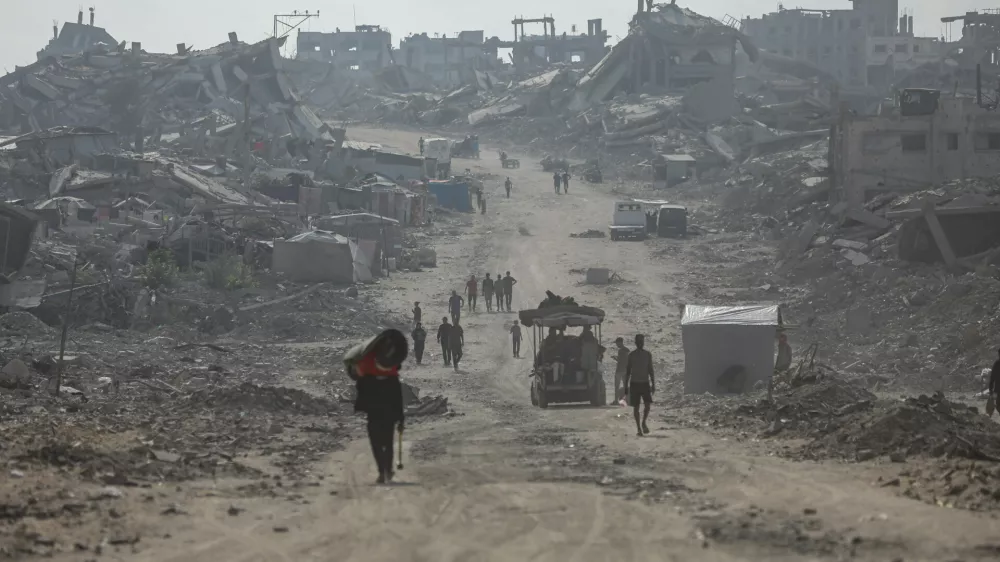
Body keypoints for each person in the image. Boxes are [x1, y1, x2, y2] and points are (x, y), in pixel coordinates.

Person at [346, 330, 406, 484]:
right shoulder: (393, 380)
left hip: (374, 416)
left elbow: (360, 388)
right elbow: (398, 400)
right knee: (387, 443)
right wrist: (400, 419)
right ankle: (387, 470)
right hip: (389, 416)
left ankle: (382, 472)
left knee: (376, 444)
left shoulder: (366, 379)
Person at [624, 334, 655, 437]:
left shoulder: (647, 354)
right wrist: (625, 386)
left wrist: (653, 383)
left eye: (642, 342)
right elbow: (628, 371)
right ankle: (638, 428)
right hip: (635, 383)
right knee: (636, 407)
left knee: (647, 405)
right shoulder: (631, 355)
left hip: (645, 383)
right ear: (636, 343)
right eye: (639, 342)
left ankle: (643, 422)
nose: (640, 344)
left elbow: (650, 370)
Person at [614, 337, 630, 403]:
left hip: (619, 370)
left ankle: (616, 401)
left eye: (617, 343)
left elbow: (620, 360)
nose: (616, 345)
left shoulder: (620, 351)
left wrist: (615, 358)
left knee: (617, 386)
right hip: (625, 370)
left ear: (620, 342)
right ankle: (627, 400)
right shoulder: (627, 350)